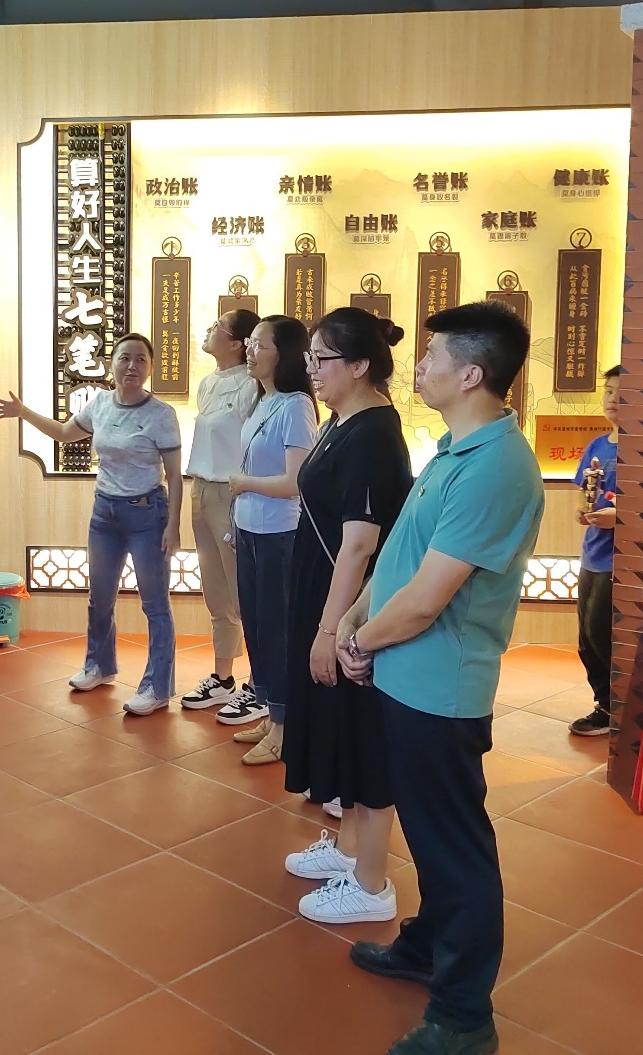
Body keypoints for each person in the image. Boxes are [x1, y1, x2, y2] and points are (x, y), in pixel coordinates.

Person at [339, 301, 544, 1055]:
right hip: (406, 677)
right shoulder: (454, 449)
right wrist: (358, 615)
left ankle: (463, 1018)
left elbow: (428, 599)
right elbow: (401, 555)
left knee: (456, 849)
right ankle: (427, 946)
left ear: (472, 374)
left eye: (432, 357)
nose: (418, 367)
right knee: (430, 835)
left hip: (440, 690)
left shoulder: (496, 466)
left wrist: (359, 638)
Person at [280, 308, 412, 925]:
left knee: (363, 733)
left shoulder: (374, 433)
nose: (312, 369)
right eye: (309, 358)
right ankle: (350, 849)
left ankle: (371, 883)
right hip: (323, 591)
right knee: (338, 725)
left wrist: (330, 630)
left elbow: (359, 545)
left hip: (349, 604)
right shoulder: (342, 422)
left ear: (359, 365)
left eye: (323, 358)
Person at [0, 334, 182, 715]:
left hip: (147, 514)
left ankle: (157, 687)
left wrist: (173, 525)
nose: (132, 366)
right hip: (105, 513)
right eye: (124, 358)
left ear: (150, 367)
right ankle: (99, 665)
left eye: (140, 359)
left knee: (155, 605)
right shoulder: (100, 404)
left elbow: (174, 475)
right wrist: (23, 412)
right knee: (99, 597)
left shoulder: (161, 414)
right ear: (112, 364)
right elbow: (64, 433)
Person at [223, 315, 318, 764]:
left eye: (260, 344)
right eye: (250, 342)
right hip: (249, 529)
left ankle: (284, 725)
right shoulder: (263, 401)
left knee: (278, 631)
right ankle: (270, 710)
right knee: (257, 626)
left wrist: (245, 484)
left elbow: (296, 482)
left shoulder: (297, 406)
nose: (250, 350)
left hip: (279, 532)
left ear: (285, 354)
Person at [180, 308, 267, 722]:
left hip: (232, 494)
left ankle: (260, 684)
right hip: (201, 490)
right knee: (216, 592)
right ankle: (223, 677)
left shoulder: (251, 387)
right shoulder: (208, 383)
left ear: (236, 343)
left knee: (243, 592)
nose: (209, 329)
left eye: (218, 326)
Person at [570, 365, 620, 736]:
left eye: (622, 393)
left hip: (621, 559)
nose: (613, 399)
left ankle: (620, 705)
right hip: (592, 553)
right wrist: (582, 512)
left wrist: (617, 517)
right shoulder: (597, 445)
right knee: (586, 639)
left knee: (600, 630)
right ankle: (605, 704)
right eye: (609, 391)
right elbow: (584, 494)